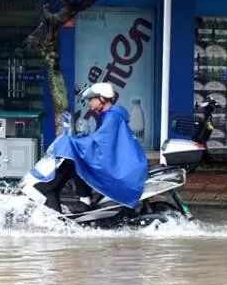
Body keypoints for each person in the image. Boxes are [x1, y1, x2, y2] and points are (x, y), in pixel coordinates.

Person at [35, 82, 148, 213]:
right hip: (124, 164)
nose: (89, 103)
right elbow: (101, 141)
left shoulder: (112, 117)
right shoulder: (111, 115)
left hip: (123, 170)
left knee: (77, 159)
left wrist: (73, 142)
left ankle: (85, 200)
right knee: (78, 158)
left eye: (91, 99)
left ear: (102, 99)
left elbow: (101, 143)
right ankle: (85, 199)